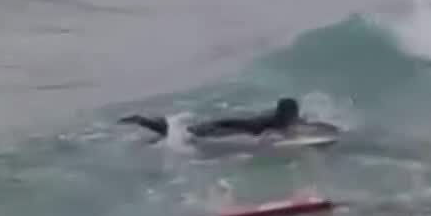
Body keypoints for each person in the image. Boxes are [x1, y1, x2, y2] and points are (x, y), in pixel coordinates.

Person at [119, 97, 307, 140]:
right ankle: (146, 122)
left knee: (188, 132)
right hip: (231, 127)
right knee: (187, 134)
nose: (296, 116)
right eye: (294, 113)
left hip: (234, 125)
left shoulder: (283, 118)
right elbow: (236, 122)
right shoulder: (273, 121)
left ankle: (155, 124)